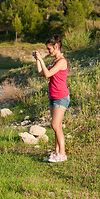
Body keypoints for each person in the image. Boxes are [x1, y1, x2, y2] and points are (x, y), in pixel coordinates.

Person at [33, 35, 70, 163]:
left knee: (55, 125)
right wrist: (38, 60)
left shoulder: (62, 62)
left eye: (49, 49)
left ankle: (63, 154)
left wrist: (42, 60)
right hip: (53, 97)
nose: (48, 52)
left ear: (56, 47)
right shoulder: (54, 62)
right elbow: (41, 73)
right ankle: (56, 153)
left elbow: (48, 74)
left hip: (61, 97)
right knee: (57, 126)